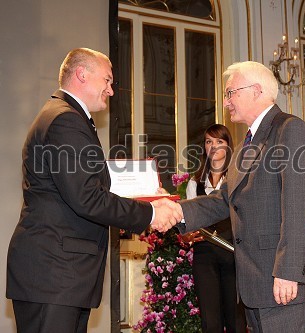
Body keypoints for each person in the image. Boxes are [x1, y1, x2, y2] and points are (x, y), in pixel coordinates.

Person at [6, 48, 180, 333]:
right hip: (55, 274)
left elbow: (85, 184)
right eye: (108, 80)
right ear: (82, 74)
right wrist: (150, 213)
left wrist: (148, 192)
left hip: (58, 275)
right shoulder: (65, 120)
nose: (111, 91)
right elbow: (87, 197)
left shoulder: (63, 116)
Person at [172, 61, 305, 332]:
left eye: (231, 93)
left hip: (285, 286)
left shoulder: (289, 129)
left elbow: (300, 205)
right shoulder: (243, 148)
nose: (226, 101)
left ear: (256, 90)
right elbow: (224, 200)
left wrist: (288, 272)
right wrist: (175, 210)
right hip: (255, 287)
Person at [182, 124, 246, 332]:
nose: (214, 146)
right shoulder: (195, 182)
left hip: (233, 254)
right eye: (209, 141)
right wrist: (186, 234)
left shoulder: (237, 180)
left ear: (229, 146)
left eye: (219, 141)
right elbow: (191, 219)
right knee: (210, 320)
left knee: (236, 317)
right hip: (204, 255)